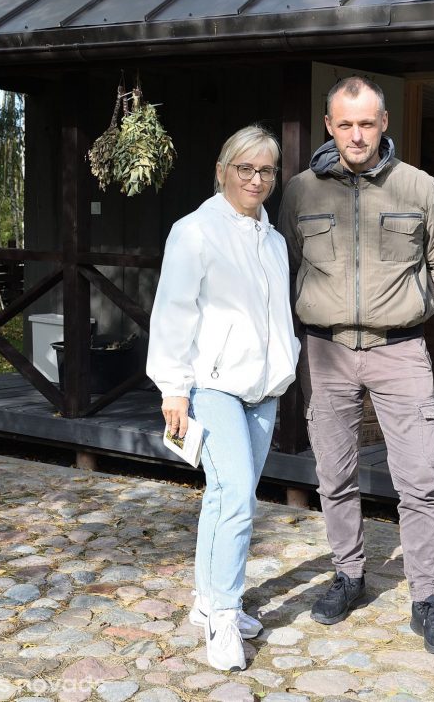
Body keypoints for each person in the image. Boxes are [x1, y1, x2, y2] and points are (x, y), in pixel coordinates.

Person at [278, 76, 434, 654]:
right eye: (345, 124)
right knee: (334, 475)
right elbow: (285, 263)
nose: (356, 134)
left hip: (400, 351)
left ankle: (426, 598)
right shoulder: (300, 192)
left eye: (366, 123)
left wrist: (406, 312)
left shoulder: (420, 187)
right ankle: (349, 576)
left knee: (419, 481)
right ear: (329, 126)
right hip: (326, 352)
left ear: (384, 123)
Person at [146, 125, 300, 671]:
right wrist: (173, 388)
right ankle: (224, 615)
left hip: (263, 389)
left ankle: (207, 599)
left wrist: (286, 361)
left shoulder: (273, 240)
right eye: (245, 168)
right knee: (236, 496)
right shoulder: (195, 231)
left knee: (226, 496)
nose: (256, 180)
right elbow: (173, 309)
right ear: (222, 170)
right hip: (212, 385)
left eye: (266, 170)